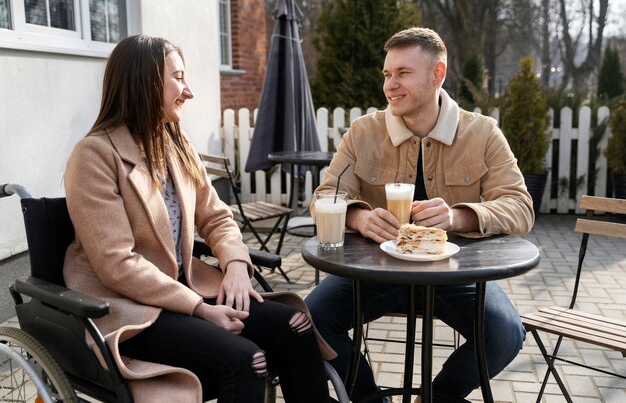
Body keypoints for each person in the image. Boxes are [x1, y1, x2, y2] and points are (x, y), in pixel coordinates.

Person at [63, 35, 334, 403]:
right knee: (247, 360)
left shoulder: (174, 143)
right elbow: (117, 263)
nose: (188, 91)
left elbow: (217, 217)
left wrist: (236, 264)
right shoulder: (93, 156)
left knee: (295, 325)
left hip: (184, 287)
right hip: (129, 308)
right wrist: (200, 309)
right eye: (178, 78)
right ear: (145, 82)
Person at [305, 27, 534, 403]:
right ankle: (366, 398)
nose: (390, 85)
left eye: (403, 74)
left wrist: (459, 217)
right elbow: (324, 197)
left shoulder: (483, 133)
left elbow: (520, 206)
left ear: (437, 74)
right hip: (375, 271)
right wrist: (358, 217)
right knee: (309, 320)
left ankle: (436, 397)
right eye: (387, 74)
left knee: (505, 334)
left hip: (454, 275)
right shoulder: (363, 132)